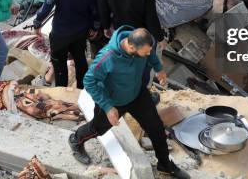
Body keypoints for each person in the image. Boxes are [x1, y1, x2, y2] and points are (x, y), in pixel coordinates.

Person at [69, 27, 189, 179]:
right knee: (97, 129)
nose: (148, 54)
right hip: (113, 101)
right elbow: (89, 81)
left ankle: (164, 165)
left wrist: (159, 68)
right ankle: (75, 139)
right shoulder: (107, 57)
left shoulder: (142, 43)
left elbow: (150, 53)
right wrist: (107, 107)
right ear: (131, 47)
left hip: (137, 95)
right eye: (144, 52)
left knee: (156, 129)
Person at [98, 0, 163, 92]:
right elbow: (150, 16)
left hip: (119, 33)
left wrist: (106, 25)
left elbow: (102, 4)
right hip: (140, 37)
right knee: (141, 72)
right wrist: (159, 37)